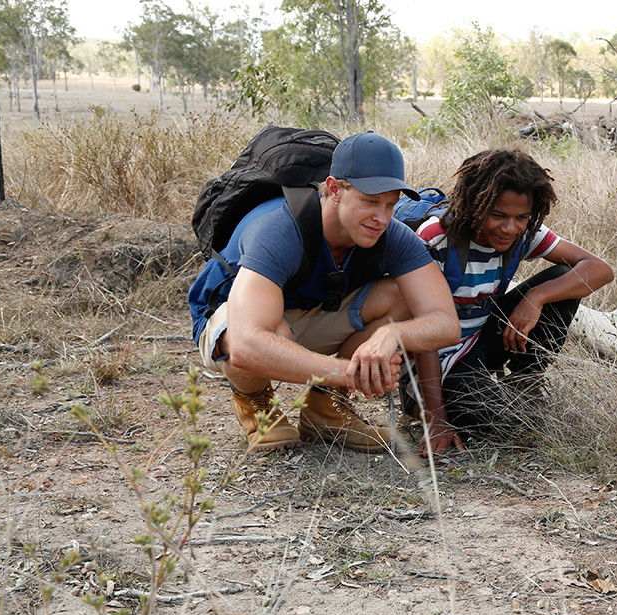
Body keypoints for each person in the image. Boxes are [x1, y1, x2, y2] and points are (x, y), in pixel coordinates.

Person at [188, 131, 460, 453]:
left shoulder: (392, 235)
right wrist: (347, 374)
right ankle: (257, 404)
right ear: (334, 189)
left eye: (391, 204)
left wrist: (392, 335)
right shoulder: (279, 228)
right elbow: (248, 344)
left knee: (400, 299)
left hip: (308, 316)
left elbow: (446, 323)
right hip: (234, 324)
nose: (382, 217)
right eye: (370, 201)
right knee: (252, 331)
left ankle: (324, 410)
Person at [403, 148, 614, 452]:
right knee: (506, 423)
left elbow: (599, 270)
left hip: (478, 342)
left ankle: (525, 382)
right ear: (474, 205)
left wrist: (536, 297)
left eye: (521, 217)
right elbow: (424, 334)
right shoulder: (436, 238)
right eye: (498, 215)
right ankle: (454, 403)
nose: (509, 228)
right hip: (434, 363)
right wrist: (435, 418)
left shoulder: (523, 233)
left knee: (563, 276)